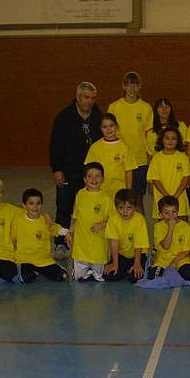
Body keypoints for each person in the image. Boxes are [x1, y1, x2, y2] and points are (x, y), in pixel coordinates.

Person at [49, 82, 102, 258]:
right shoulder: (64, 117)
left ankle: (86, 243)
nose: (90, 101)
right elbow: (55, 145)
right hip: (68, 171)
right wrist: (57, 169)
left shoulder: (98, 116)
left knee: (89, 208)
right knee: (64, 207)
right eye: (86, 97)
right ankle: (60, 243)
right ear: (78, 97)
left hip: (90, 174)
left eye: (93, 98)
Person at [108, 72, 154, 212]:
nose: (132, 88)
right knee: (118, 200)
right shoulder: (114, 107)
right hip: (119, 160)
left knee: (137, 200)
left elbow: (149, 135)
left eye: (135, 84)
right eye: (129, 84)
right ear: (124, 86)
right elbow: (109, 133)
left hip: (139, 161)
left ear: (140, 86)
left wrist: (150, 156)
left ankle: (139, 232)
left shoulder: (146, 108)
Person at [67, 162, 114, 282]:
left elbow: (113, 220)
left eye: (97, 176)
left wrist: (102, 224)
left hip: (98, 245)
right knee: (79, 276)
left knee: (99, 274)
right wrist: (70, 232)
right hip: (81, 245)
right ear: (84, 179)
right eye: (90, 176)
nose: (94, 179)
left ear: (103, 179)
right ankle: (81, 272)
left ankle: (93, 271)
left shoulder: (106, 198)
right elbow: (75, 216)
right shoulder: (80, 195)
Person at [11, 188, 68, 282]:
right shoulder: (18, 222)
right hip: (25, 260)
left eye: (38, 203)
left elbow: (56, 229)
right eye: (31, 203)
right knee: (26, 278)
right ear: (24, 206)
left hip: (44, 261)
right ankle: (34, 271)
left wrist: (67, 233)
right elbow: (10, 238)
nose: (35, 207)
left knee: (63, 276)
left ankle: (46, 269)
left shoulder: (45, 220)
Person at [85, 113, 137, 198]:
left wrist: (128, 192)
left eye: (111, 125)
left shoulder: (124, 147)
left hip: (119, 190)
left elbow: (129, 172)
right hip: (99, 189)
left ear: (116, 126)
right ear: (100, 128)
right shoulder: (95, 147)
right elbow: (89, 170)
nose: (108, 129)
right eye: (104, 127)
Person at [104, 189, 150, 283]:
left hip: (137, 255)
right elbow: (114, 243)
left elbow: (138, 245)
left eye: (129, 208)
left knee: (134, 278)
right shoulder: (113, 219)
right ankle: (125, 269)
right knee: (109, 275)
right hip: (121, 255)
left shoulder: (139, 220)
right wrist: (115, 264)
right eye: (121, 208)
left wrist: (137, 264)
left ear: (135, 207)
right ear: (116, 208)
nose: (125, 212)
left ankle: (133, 268)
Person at [147, 127, 190, 221]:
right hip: (162, 200)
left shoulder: (183, 157)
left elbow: (186, 178)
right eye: (167, 138)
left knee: (182, 231)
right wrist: (167, 197)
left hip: (179, 200)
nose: (170, 141)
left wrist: (175, 197)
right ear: (162, 140)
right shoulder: (156, 158)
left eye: (173, 138)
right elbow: (155, 179)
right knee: (163, 231)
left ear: (178, 141)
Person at [149, 195, 190, 282]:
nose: (171, 216)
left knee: (189, 274)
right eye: (166, 213)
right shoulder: (158, 227)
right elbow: (166, 246)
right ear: (160, 214)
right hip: (163, 260)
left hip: (181, 259)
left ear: (178, 212)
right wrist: (171, 228)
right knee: (154, 277)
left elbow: (187, 251)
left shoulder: (186, 227)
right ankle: (170, 275)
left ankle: (172, 275)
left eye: (174, 212)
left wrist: (174, 263)